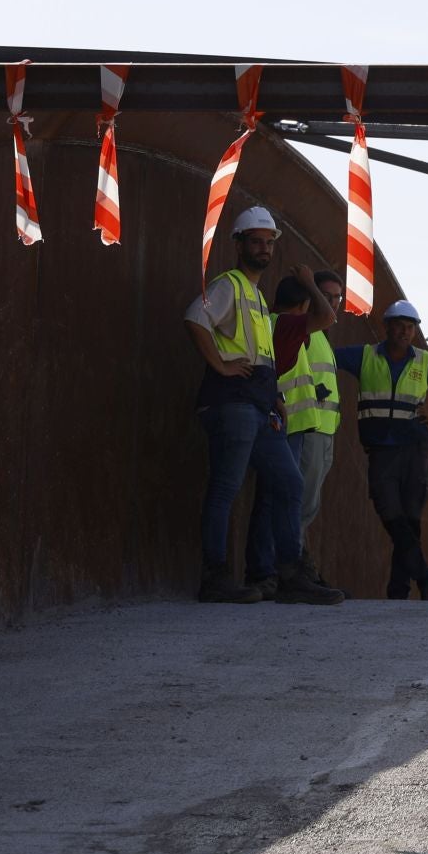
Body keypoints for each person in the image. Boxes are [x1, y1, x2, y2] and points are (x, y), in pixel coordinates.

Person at [182, 206, 344, 606]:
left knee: (288, 483)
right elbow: (195, 318)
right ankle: (215, 578)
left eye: (269, 243)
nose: (264, 249)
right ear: (239, 244)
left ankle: (290, 576)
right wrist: (219, 364)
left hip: (257, 404)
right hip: (232, 403)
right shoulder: (230, 285)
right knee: (226, 487)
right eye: (256, 241)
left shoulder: (253, 295)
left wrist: (274, 398)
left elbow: (259, 354)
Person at [336, 301, 428, 600]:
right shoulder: (364, 355)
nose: (405, 332)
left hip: (414, 447)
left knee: (410, 519)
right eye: (399, 326)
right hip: (380, 448)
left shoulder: (423, 360)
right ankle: (425, 577)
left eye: (410, 327)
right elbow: (324, 358)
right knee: (391, 513)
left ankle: (399, 590)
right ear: (387, 327)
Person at [273, 268, 344, 587]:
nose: (331, 304)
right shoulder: (304, 329)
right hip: (303, 428)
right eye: (324, 296)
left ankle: (300, 565)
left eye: (336, 299)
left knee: (307, 504)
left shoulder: (320, 338)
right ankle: (292, 568)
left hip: (321, 429)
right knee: (297, 504)